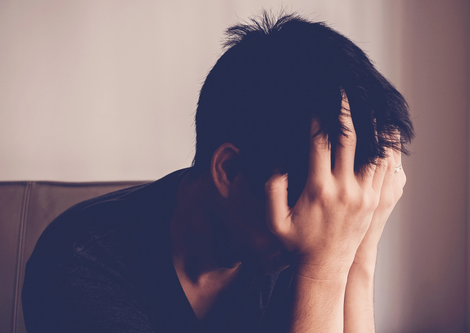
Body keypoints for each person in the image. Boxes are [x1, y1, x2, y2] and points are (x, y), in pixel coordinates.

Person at [22, 12, 413, 333]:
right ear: (229, 170)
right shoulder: (79, 264)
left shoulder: (319, 244)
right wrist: (323, 272)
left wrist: (360, 252)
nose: (322, 229)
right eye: (309, 204)